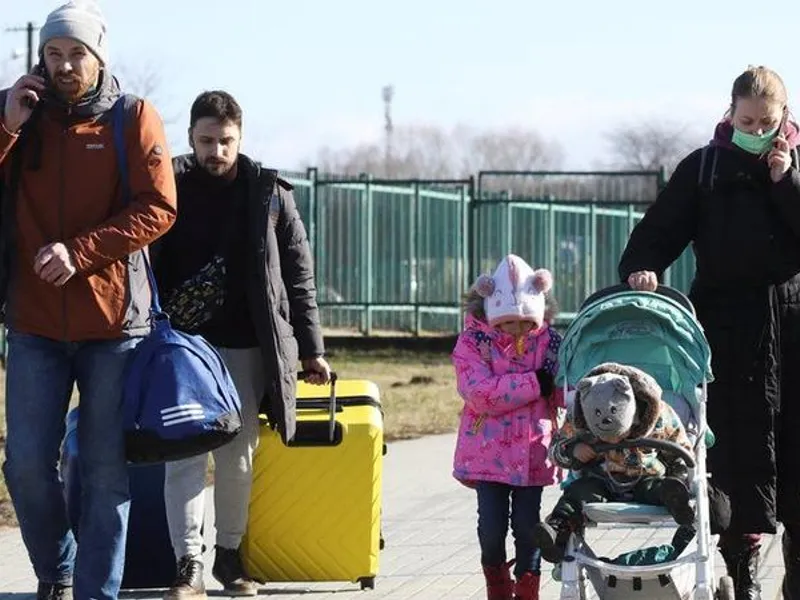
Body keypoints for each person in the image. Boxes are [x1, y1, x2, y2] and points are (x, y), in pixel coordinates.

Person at [0, 2, 177, 600]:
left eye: (76, 53)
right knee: (24, 464)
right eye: (54, 53)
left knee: (104, 472)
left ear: (99, 55)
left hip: (112, 327)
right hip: (32, 321)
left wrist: (80, 252)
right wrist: (6, 127)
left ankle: (94, 593)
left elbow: (159, 207)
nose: (64, 65)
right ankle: (59, 567)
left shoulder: (133, 117)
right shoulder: (15, 113)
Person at [619, 65, 800, 599]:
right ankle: (740, 573)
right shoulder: (703, 168)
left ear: (783, 116)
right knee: (731, 454)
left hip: (792, 325)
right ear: (730, 113)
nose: (757, 129)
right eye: (747, 120)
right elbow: (658, 231)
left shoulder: (794, 164)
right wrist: (641, 270)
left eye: (767, 121)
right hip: (724, 328)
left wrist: (785, 180)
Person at [151, 90, 331, 600]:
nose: (216, 151)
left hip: (249, 347)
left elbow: (299, 276)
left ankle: (229, 557)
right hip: (182, 351)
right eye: (206, 140)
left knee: (239, 455)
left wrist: (312, 347)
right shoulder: (167, 183)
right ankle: (189, 564)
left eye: (225, 141)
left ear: (241, 138)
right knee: (183, 457)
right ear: (190, 137)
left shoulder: (269, 192)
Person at [451, 254, 563, 600]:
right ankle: (497, 586)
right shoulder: (473, 344)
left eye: (526, 322)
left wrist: (564, 390)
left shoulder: (551, 344)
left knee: (529, 529)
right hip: (488, 454)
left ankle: (528, 590)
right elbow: (479, 393)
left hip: (533, 451)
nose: (518, 330)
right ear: (492, 316)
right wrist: (535, 384)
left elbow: (562, 390)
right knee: (491, 528)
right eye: (508, 323)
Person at [533, 362, 695, 564]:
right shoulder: (581, 412)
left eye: (620, 434)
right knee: (577, 493)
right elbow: (555, 450)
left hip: (646, 475)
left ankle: (676, 500)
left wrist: (678, 474)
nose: (612, 442)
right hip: (601, 480)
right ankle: (558, 530)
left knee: (659, 487)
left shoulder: (658, 414)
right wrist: (573, 450)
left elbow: (681, 447)